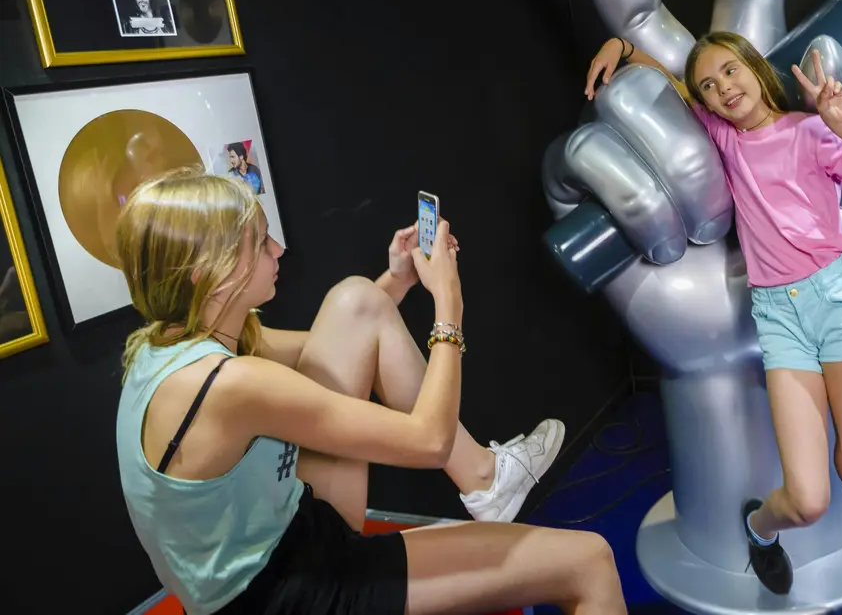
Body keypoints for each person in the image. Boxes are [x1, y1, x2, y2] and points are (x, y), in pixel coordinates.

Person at [114, 167, 626, 615]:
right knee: (591, 561)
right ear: (214, 276)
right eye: (261, 242)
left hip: (284, 541)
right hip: (288, 595)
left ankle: (486, 479)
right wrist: (448, 301)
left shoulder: (166, 345)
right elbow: (427, 441)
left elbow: (340, 340)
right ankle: (486, 480)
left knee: (355, 298)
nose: (279, 250)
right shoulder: (231, 385)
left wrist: (396, 282)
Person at [586, 33, 842, 615]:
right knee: (810, 499)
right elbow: (670, 80)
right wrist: (622, 46)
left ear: (755, 69)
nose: (723, 89)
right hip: (779, 317)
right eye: (710, 87)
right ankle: (762, 529)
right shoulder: (721, 136)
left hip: (841, 302)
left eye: (730, 71)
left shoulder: (811, 129)